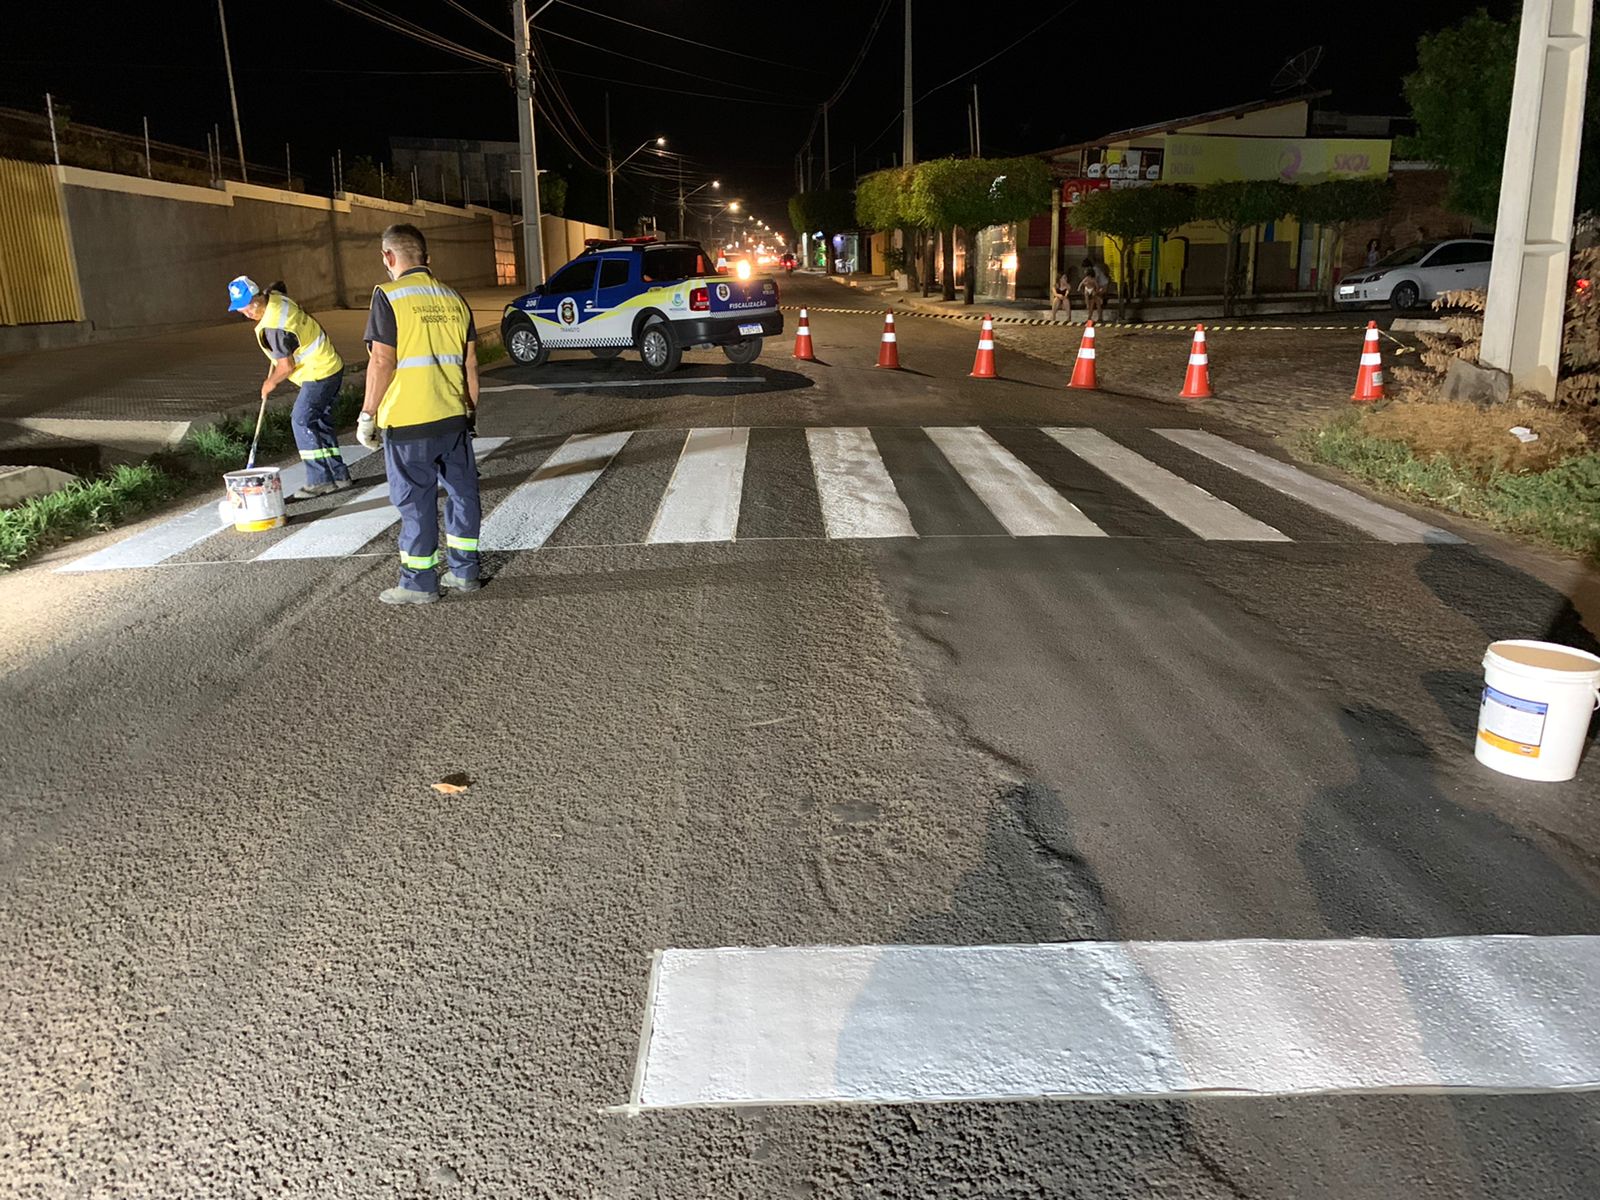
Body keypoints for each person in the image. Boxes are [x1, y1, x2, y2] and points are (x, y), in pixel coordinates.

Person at [357, 223, 482, 606]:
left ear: (388, 257)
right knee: (463, 495)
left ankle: (418, 583)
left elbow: (382, 360)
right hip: (452, 416)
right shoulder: (454, 298)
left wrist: (367, 414)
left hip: (409, 422)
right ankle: (465, 572)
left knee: (416, 502)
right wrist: (470, 414)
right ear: (427, 259)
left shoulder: (389, 296)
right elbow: (471, 364)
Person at [227, 276, 351, 500]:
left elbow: (286, 366)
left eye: (248, 306)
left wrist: (270, 382)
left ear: (258, 298)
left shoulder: (274, 326)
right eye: (240, 309)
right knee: (319, 422)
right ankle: (339, 474)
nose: (245, 313)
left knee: (301, 421)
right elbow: (278, 287)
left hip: (319, 373)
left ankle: (320, 481)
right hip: (331, 365)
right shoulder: (276, 299)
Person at [1079, 257, 1108, 324]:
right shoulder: (1090, 273)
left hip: (1102, 287)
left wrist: (1095, 291)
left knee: (1096, 300)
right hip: (1095, 289)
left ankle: (1099, 317)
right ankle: (1090, 318)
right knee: (1091, 301)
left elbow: (1095, 283)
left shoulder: (1094, 271)